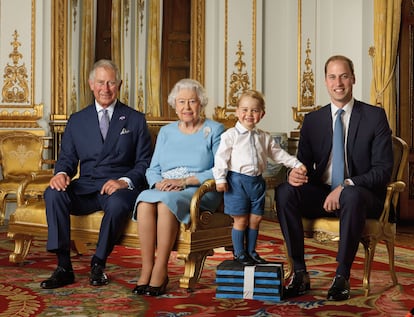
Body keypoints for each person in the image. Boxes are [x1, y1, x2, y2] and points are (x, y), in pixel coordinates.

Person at [275, 55, 393, 301]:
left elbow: (383, 170)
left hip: (362, 195)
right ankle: (299, 273)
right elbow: (303, 164)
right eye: (332, 77)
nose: (338, 82)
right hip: (323, 193)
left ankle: (342, 276)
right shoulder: (313, 120)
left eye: (343, 76)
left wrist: (347, 184)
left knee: (350, 194)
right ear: (325, 82)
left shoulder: (374, 117)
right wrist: (294, 174)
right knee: (285, 190)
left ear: (353, 79)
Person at [40, 59, 152, 289]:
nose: (106, 88)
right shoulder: (77, 120)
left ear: (119, 84)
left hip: (119, 187)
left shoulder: (135, 119)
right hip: (87, 185)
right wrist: (61, 173)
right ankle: (63, 266)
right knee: (53, 193)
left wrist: (124, 181)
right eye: (101, 82)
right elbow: (67, 160)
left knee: (118, 203)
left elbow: (145, 163)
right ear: (91, 84)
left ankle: (98, 264)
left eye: (111, 83)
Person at [132, 78, 225, 296]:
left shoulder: (214, 130)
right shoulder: (166, 132)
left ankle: (161, 268)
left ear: (201, 104)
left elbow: (220, 169)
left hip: (198, 191)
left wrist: (185, 181)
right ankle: (147, 267)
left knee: (166, 204)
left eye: (192, 101)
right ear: (174, 104)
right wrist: (159, 183)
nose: (186, 107)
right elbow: (152, 168)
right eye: (181, 102)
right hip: (165, 188)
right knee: (145, 201)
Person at [213, 89, 306, 266]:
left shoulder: (263, 137)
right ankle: (239, 253)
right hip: (236, 182)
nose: (249, 114)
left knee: (255, 219)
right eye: (245, 110)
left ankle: (251, 251)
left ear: (261, 114)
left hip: (257, 183)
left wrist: (295, 164)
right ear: (237, 112)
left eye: (254, 110)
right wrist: (220, 179)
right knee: (240, 219)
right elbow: (221, 158)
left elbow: (278, 154)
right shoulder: (230, 136)